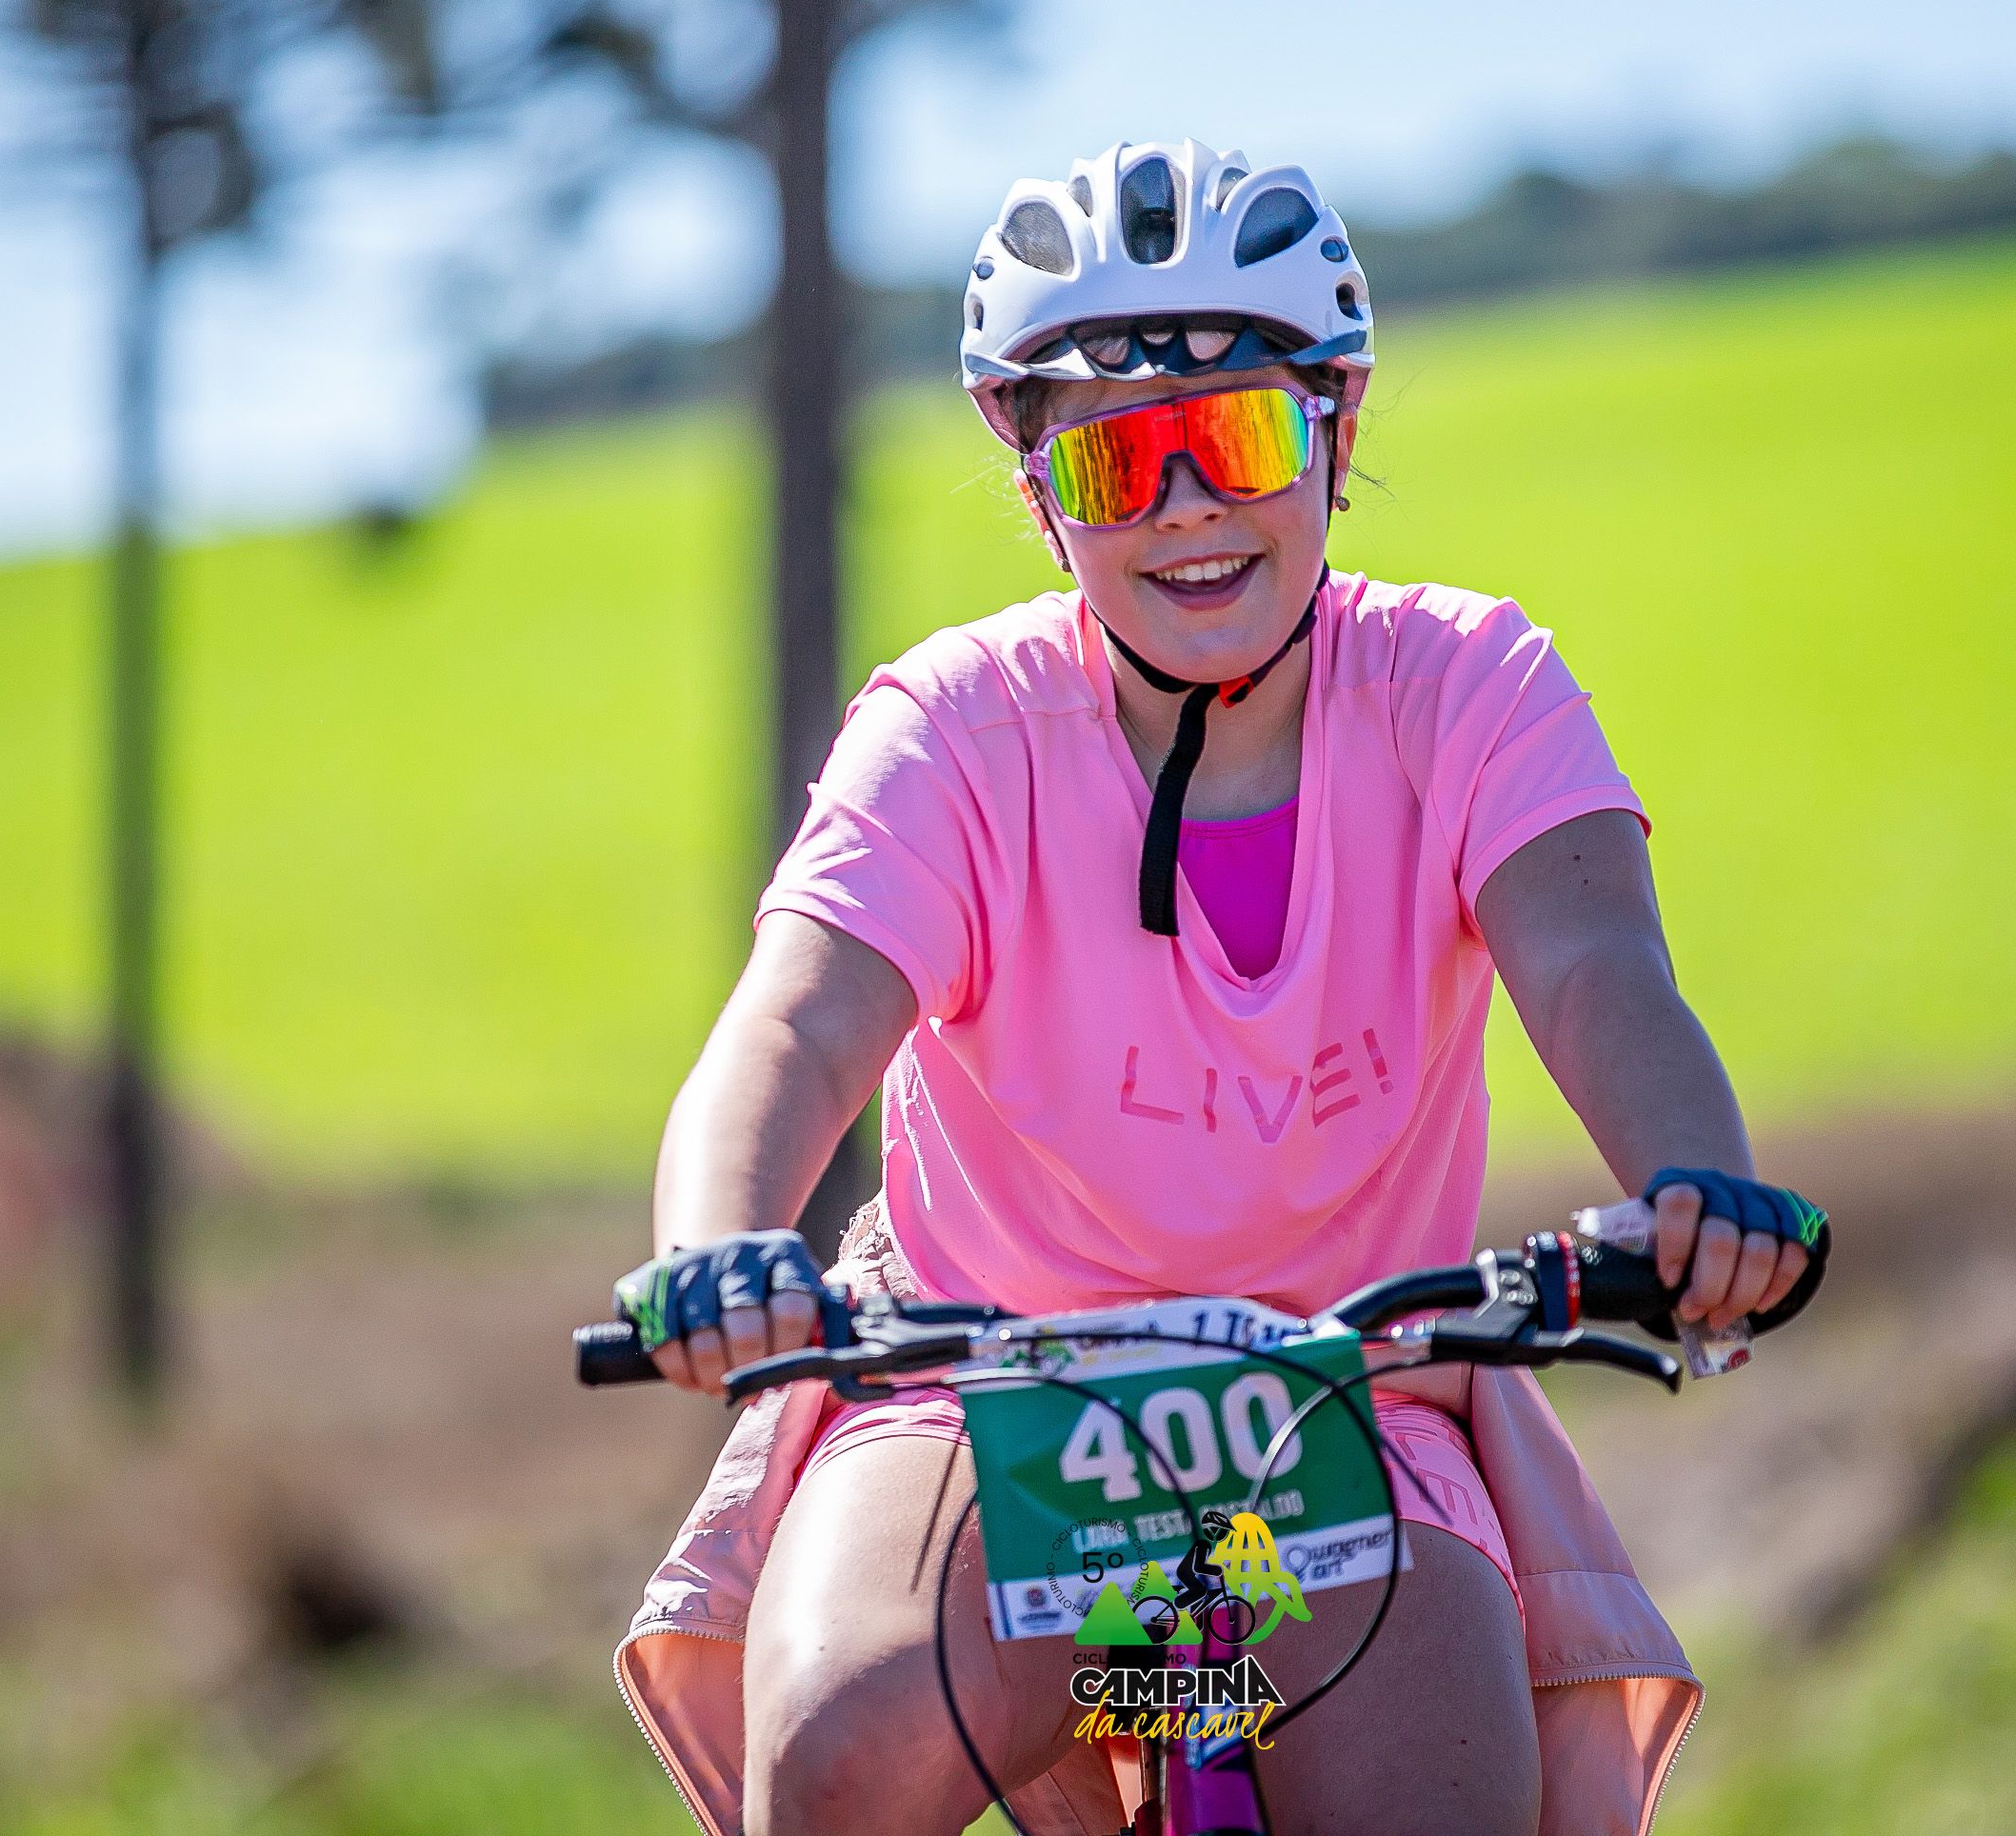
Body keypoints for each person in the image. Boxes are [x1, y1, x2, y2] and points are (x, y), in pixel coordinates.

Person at [607, 139, 1828, 1836]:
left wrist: (1700, 1192)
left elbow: (1596, 964)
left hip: (1350, 1400)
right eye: (1119, 460)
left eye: (1239, 437)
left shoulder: (1472, 685)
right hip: (985, 1403)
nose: (1186, 507)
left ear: (1338, 424)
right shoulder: (952, 727)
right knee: (838, 1757)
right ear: (1039, 486)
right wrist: (716, 1248)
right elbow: (796, 1023)